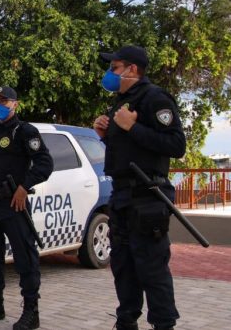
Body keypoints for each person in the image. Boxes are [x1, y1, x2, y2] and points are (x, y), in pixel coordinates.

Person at [93, 45, 186, 330]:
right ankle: (126, 321)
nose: (110, 74)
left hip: (148, 197)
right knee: (124, 267)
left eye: (115, 68)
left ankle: (163, 324)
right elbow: (129, 152)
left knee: (152, 268)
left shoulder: (154, 98)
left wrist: (133, 127)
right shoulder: (121, 101)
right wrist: (105, 134)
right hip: (122, 197)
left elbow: (176, 145)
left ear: (133, 69)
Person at [0, 86, 53, 330]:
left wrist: (25, 186)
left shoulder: (24, 131)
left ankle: (31, 312)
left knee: (25, 258)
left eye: (3, 100)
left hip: (13, 204)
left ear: (15, 103)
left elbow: (45, 163)